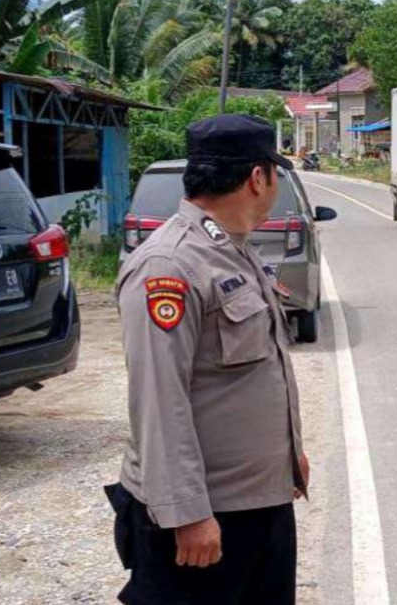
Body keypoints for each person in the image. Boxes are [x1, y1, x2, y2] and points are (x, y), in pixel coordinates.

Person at [106, 113, 307, 605]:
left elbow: (259, 371)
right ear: (258, 177)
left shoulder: (231, 253)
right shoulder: (169, 266)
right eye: (276, 172)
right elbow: (159, 400)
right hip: (207, 519)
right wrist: (188, 513)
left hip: (262, 503)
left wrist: (288, 456)